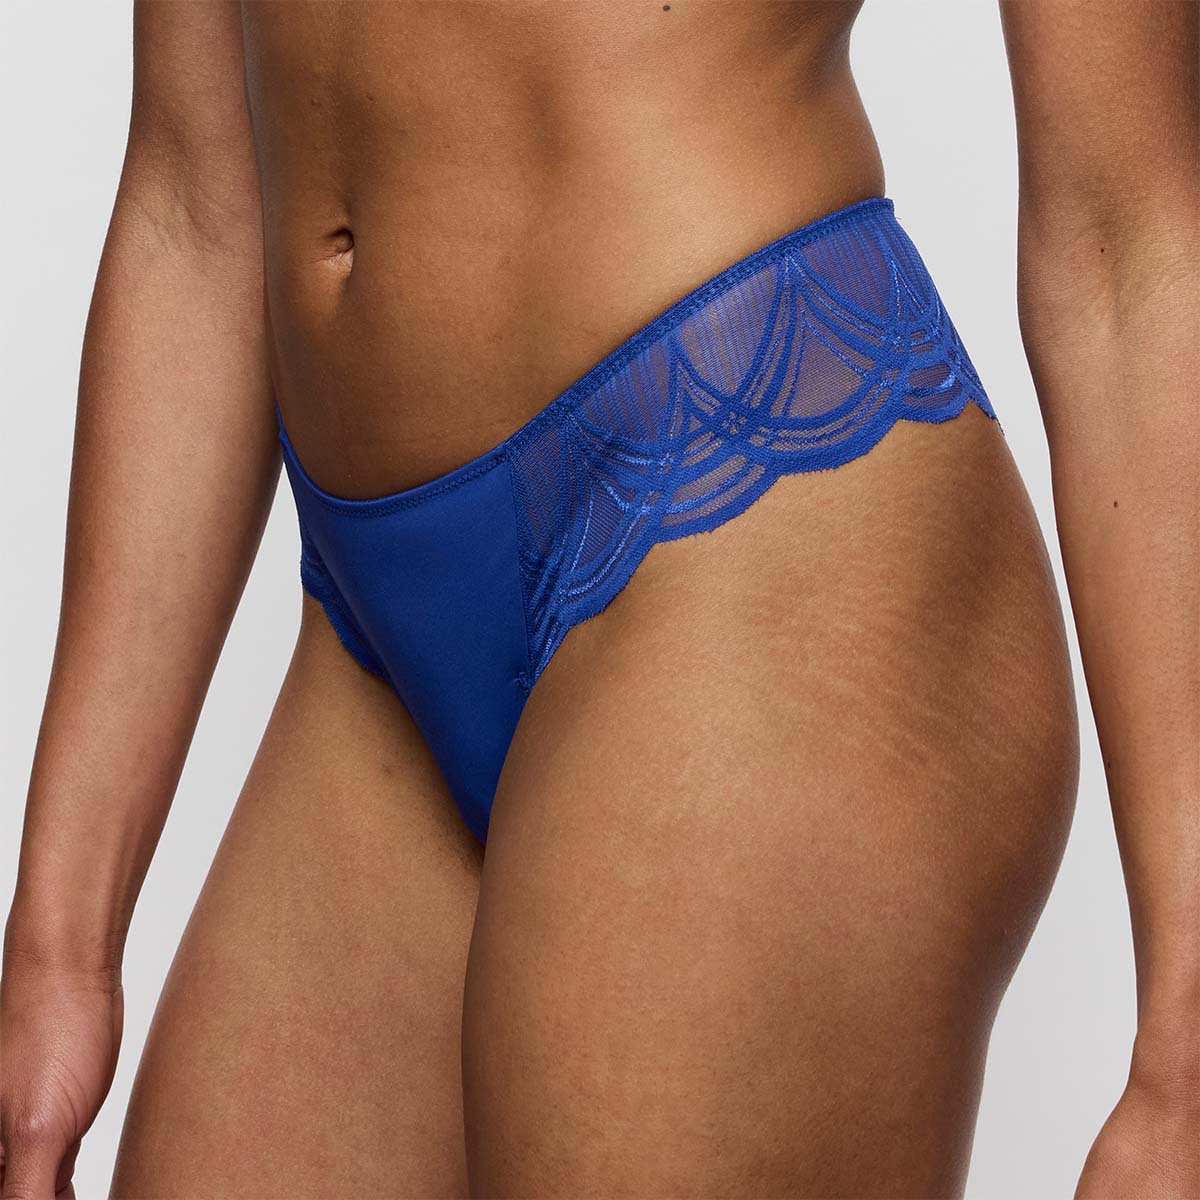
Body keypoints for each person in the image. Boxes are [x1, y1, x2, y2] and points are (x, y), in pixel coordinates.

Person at [1, 2, 1195, 1196]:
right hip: (372, 647)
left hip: (753, 530)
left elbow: (1128, 244)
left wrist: (1186, 1050)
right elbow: (195, 198)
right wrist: (60, 948)